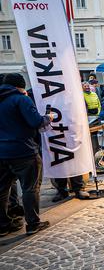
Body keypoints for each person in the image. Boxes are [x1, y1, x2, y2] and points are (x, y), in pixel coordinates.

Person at [0, 73, 52, 236]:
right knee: (30, 188)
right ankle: (33, 224)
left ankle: (3, 226)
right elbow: (35, 121)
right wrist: (48, 117)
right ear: (20, 86)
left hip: (1, 152)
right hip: (23, 150)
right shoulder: (21, 99)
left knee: (2, 189)